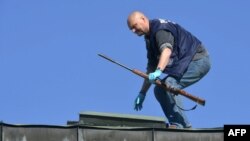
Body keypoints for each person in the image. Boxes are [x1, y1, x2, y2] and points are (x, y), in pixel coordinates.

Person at [127, 11, 211, 129]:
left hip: (198, 61)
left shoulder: (160, 30)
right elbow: (151, 68)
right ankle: (177, 124)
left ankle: (183, 125)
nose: (133, 31)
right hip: (186, 63)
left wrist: (159, 71)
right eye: (131, 29)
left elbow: (166, 51)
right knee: (160, 90)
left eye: (134, 26)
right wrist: (142, 93)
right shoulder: (149, 38)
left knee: (169, 84)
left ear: (143, 19)